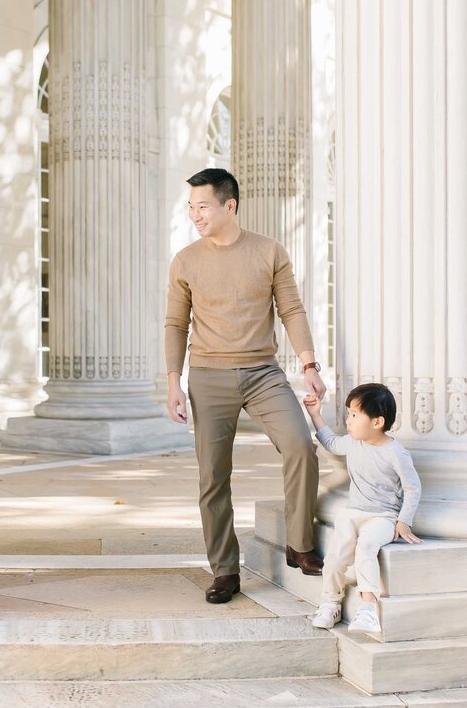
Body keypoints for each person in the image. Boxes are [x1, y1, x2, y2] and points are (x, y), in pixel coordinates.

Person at [165, 168, 328, 605]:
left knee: (299, 444)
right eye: (191, 208)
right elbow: (177, 323)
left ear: (229, 205)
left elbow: (291, 309)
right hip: (208, 376)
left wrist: (309, 362)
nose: (195, 215)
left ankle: (299, 542)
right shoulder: (185, 260)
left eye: (203, 206)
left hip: (263, 373)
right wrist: (172, 382)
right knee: (212, 477)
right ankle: (224, 571)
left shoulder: (269, 251)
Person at [303, 383, 423, 636]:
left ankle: (368, 609)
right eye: (349, 414)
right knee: (336, 555)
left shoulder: (396, 453)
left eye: (355, 415)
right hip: (352, 512)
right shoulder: (353, 443)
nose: (348, 421)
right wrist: (315, 414)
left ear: (377, 422)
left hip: (383, 516)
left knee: (366, 547)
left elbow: (413, 488)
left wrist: (404, 521)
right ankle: (330, 602)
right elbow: (331, 443)